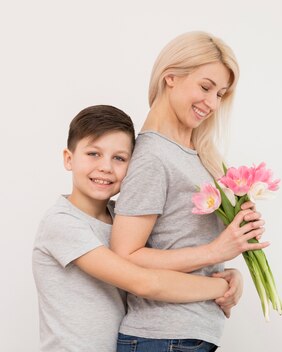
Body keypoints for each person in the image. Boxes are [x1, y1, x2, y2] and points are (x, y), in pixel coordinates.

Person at [110, 31, 269, 351]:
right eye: (206, 87)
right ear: (170, 76)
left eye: (221, 94)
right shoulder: (153, 156)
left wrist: (227, 277)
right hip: (161, 336)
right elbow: (124, 256)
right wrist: (217, 252)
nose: (211, 103)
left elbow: (183, 242)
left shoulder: (199, 155)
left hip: (186, 336)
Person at [32, 105, 234, 352]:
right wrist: (221, 286)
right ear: (68, 158)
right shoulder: (62, 224)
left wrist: (233, 275)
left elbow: (163, 261)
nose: (106, 167)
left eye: (119, 158)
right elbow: (145, 283)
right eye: (93, 154)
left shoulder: (121, 218)